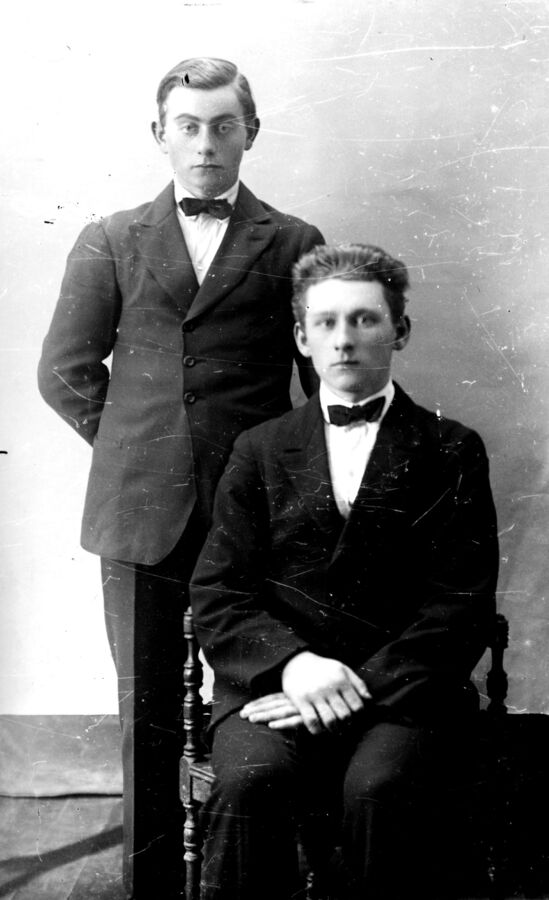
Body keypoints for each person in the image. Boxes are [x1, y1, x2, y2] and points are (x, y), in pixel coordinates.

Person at [37, 57, 323, 899]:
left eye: (223, 127)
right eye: (188, 127)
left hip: (254, 514)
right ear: (159, 135)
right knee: (147, 713)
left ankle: (247, 879)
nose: (205, 145)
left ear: (250, 134)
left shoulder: (294, 241)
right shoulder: (111, 237)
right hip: (139, 514)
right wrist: (138, 450)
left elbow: (315, 389)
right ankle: (151, 887)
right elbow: (64, 371)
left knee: (259, 692)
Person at [190, 243, 500, 900]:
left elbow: (459, 602)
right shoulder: (259, 448)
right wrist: (295, 667)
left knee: (380, 788)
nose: (344, 339)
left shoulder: (450, 449)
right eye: (326, 322)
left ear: (399, 330)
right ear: (301, 338)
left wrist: (355, 685)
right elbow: (219, 591)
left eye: (364, 319)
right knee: (251, 782)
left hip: (403, 692)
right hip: (275, 685)